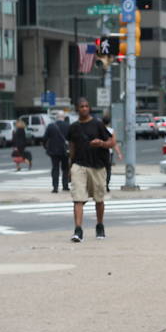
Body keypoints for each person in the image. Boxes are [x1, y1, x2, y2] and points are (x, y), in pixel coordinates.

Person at [67, 98, 114, 242]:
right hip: (79, 166)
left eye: (87, 106)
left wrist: (101, 143)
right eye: (81, 106)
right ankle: (78, 230)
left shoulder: (98, 124)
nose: (84, 108)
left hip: (97, 166)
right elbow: (72, 148)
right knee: (78, 199)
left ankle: (99, 226)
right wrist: (70, 167)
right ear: (77, 109)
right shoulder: (73, 127)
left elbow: (112, 142)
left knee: (99, 199)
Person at [43, 111, 70, 193]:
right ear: (64, 117)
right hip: (65, 151)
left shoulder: (51, 126)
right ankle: (65, 186)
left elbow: (45, 138)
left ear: (56, 117)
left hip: (53, 151)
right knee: (65, 168)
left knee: (55, 168)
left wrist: (46, 147)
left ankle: (55, 187)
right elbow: (72, 139)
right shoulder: (68, 126)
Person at [101, 115, 124, 192]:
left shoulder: (98, 130)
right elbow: (114, 143)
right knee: (108, 169)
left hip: (98, 152)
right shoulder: (111, 131)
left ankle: (100, 185)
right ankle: (106, 184)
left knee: (99, 169)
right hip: (108, 152)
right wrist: (119, 154)